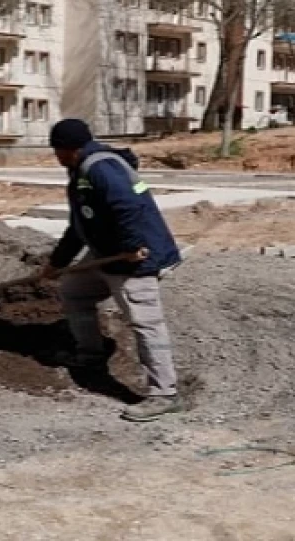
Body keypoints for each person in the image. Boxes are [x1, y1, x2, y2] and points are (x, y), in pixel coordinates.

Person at [42, 118, 184, 422]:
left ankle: (165, 393)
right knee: (74, 291)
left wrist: (132, 247)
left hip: (136, 257)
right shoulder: (81, 170)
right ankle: (91, 356)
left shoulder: (101, 167)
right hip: (107, 252)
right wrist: (57, 264)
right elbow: (78, 226)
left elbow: (129, 207)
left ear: (68, 148)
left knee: (145, 322)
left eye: (57, 150)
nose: (56, 156)